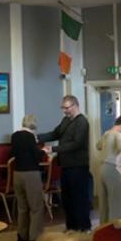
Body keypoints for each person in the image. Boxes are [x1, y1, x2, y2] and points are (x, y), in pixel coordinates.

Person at [38, 95, 91, 232]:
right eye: (63, 108)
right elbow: (55, 133)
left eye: (67, 108)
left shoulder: (82, 122)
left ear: (75, 105)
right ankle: (71, 227)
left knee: (79, 198)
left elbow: (77, 144)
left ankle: (84, 227)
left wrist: (53, 149)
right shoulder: (66, 120)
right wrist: (35, 137)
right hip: (66, 166)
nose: (65, 111)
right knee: (67, 199)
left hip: (78, 166)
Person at [10, 114, 45, 241]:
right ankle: (35, 236)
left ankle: (22, 236)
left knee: (22, 207)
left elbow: (12, 153)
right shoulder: (30, 137)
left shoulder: (15, 136)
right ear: (34, 124)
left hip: (17, 174)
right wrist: (44, 151)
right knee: (36, 207)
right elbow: (36, 156)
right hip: (31, 174)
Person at [96, 114, 121, 224]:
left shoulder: (106, 133)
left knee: (103, 205)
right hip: (113, 170)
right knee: (115, 204)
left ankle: (102, 232)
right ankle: (115, 232)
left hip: (102, 168)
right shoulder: (117, 135)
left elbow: (98, 146)